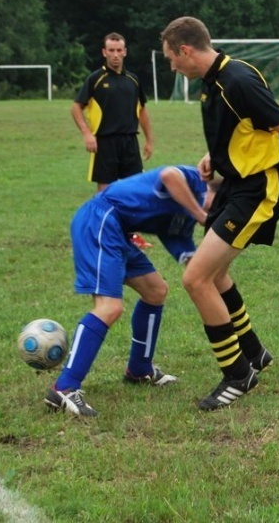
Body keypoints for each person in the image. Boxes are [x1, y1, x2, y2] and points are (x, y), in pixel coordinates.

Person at [159, 16, 279, 411]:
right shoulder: (214, 82)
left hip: (259, 189)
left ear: (186, 51)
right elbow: (246, 128)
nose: (172, 67)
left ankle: (237, 373)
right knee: (215, 274)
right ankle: (254, 353)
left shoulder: (238, 80)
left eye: (172, 59)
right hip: (235, 185)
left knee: (196, 278)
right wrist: (214, 156)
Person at [44, 165, 212, 417]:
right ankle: (64, 388)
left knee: (156, 291)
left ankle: (139, 368)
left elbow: (196, 265)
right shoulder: (194, 180)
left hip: (119, 232)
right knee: (109, 307)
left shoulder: (183, 223)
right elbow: (168, 176)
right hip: (100, 219)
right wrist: (200, 213)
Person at [72, 32, 156, 247]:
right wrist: (87, 133)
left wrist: (149, 140)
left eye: (119, 50)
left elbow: (142, 110)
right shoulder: (96, 79)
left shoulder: (133, 80)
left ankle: (132, 235)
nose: (116, 55)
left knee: (135, 191)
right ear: (104, 52)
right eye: (111, 50)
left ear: (125, 52)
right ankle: (102, 233)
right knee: (105, 191)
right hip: (105, 142)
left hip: (130, 142)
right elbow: (76, 107)